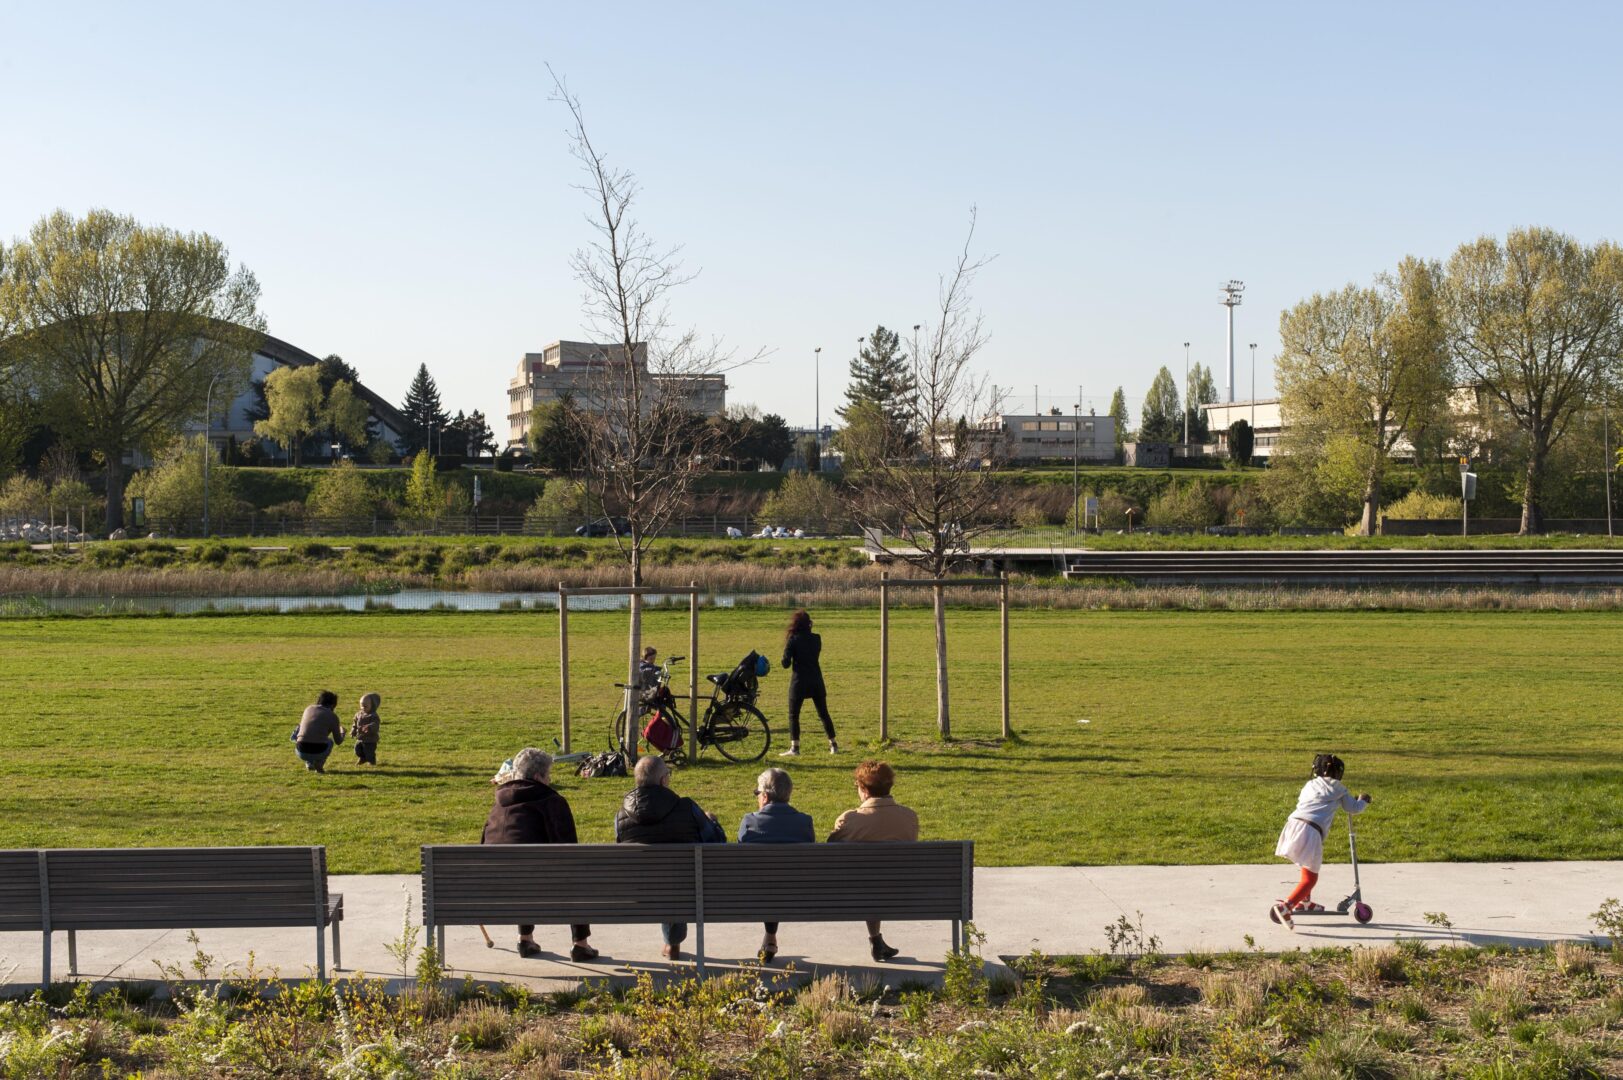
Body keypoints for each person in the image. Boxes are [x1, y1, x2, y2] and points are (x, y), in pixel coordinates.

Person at [482, 747, 598, 962]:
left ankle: (525, 938)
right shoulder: (551, 801)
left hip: (494, 891)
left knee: (521, 872)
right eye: (548, 775)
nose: (550, 780)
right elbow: (571, 852)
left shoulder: (499, 804)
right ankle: (580, 944)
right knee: (576, 873)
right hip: (542, 889)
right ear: (538, 777)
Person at [614, 754, 725, 960]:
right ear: (663, 780)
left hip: (637, 893)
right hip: (685, 890)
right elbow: (716, 844)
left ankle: (671, 942)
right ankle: (673, 941)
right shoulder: (687, 808)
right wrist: (713, 822)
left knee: (663, 877)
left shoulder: (621, 815)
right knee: (676, 877)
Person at [828, 760, 919, 961]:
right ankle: (876, 940)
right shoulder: (909, 817)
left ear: (863, 789)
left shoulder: (849, 820)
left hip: (852, 894)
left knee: (868, 881)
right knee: (878, 880)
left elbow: (830, 850)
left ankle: (876, 939)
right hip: (902, 892)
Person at [1271, 753, 1371, 930]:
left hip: (1294, 824)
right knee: (1310, 878)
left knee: (1306, 865)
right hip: (1311, 831)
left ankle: (1305, 901)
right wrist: (1363, 800)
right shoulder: (1339, 788)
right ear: (1337, 773)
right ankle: (1286, 907)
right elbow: (1352, 808)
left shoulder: (1309, 784)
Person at [737, 767, 815, 963]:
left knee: (767, 882)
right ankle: (770, 937)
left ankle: (770, 937)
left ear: (764, 796)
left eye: (757, 793)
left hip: (751, 897)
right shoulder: (804, 822)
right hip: (800, 896)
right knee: (778, 882)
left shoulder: (749, 822)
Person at [780, 609, 838, 756]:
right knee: (823, 713)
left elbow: (785, 664)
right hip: (816, 680)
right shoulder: (817, 638)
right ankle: (833, 745)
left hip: (799, 681)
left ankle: (795, 747)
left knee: (794, 715)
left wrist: (786, 652)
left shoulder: (793, 640)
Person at [291, 691, 344, 773]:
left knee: (304, 733)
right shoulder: (332, 716)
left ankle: (309, 763)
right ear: (333, 705)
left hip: (301, 751)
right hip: (319, 751)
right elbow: (338, 741)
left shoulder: (308, 709)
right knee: (330, 741)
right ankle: (319, 763)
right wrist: (342, 732)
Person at [350, 692, 381, 766]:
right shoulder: (358, 714)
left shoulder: (373, 716)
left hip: (370, 739)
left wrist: (369, 727)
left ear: (372, 706)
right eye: (361, 706)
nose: (363, 708)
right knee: (357, 750)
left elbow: (375, 724)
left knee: (369, 751)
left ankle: (372, 761)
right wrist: (353, 731)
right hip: (360, 737)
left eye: (365, 706)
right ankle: (362, 758)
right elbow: (355, 723)